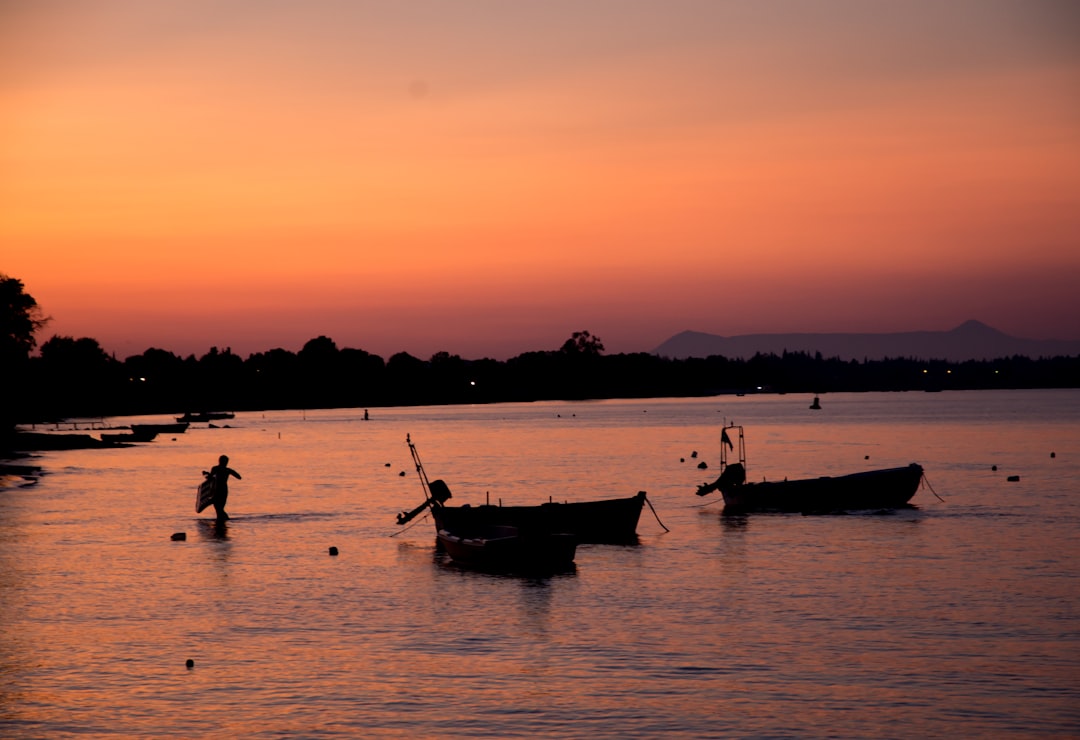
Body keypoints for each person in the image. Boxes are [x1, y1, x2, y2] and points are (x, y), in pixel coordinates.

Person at [206, 454, 242, 522]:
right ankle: (223, 522)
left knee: (218, 509)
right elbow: (239, 477)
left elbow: (210, 478)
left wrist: (208, 474)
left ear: (219, 461)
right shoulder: (227, 470)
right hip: (223, 490)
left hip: (217, 490)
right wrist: (230, 471)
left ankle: (225, 521)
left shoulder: (215, 468)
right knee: (220, 508)